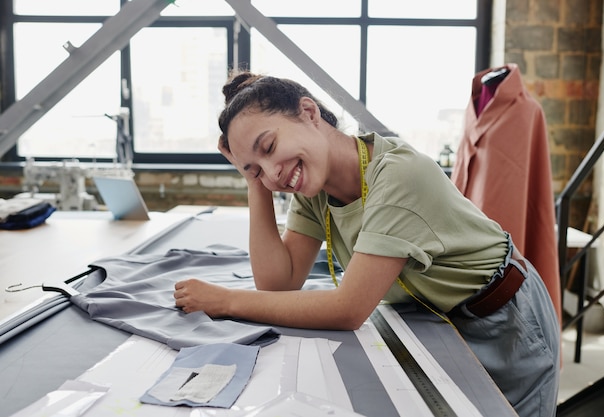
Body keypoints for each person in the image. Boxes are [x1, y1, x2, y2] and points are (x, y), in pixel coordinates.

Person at [173, 70, 560, 417]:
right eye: (257, 169)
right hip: (440, 321)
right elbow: (278, 284)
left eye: (270, 146)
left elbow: (348, 309)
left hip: (506, 320)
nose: (273, 174)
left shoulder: (398, 176)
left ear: (308, 112)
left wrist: (223, 301)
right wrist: (252, 178)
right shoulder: (313, 189)